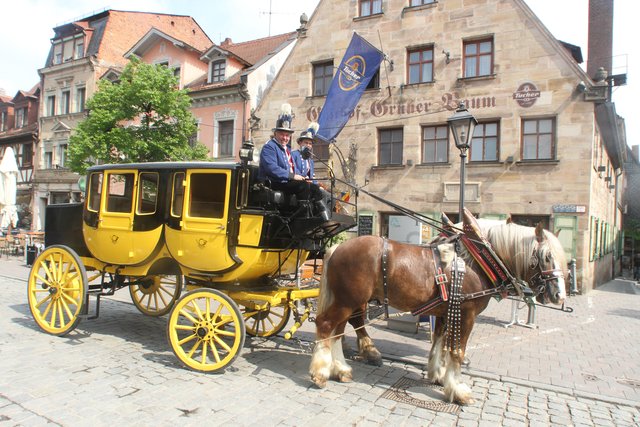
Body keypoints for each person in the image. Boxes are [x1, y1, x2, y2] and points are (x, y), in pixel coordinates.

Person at [258, 104, 329, 220]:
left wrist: (300, 177)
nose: (285, 138)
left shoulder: (286, 149)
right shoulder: (269, 147)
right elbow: (272, 169)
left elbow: (292, 168)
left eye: (287, 135)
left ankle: (321, 214)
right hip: (274, 182)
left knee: (314, 188)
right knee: (304, 186)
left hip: (285, 181)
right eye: (282, 134)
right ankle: (302, 217)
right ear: (275, 133)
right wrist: (293, 176)